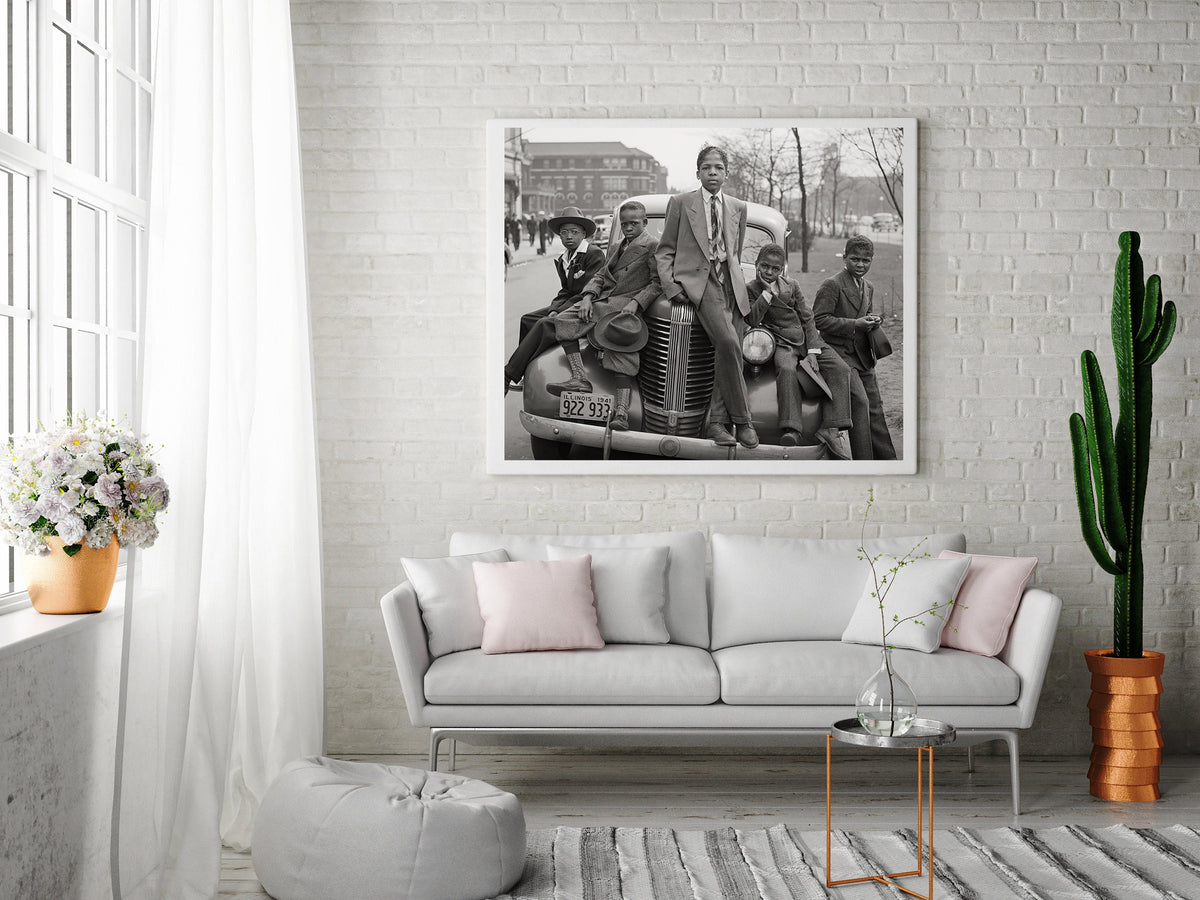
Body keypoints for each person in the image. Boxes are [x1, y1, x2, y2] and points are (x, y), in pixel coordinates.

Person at [723, 243, 871, 458]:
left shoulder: (792, 285)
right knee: (786, 369)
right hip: (780, 341)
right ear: (756, 265)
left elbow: (808, 317)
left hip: (805, 339)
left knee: (841, 368)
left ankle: (830, 427)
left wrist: (813, 350)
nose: (770, 272)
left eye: (775, 269)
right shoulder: (750, 289)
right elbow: (752, 319)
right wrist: (766, 293)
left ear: (782, 269)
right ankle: (791, 427)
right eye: (765, 267)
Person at [655, 145, 758, 449]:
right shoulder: (681, 203)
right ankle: (743, 421)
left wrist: (735, 279)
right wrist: (673, 288)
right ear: (698, 172)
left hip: (732, 285)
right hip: (701, 282)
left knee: (728, 352)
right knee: (728, 343)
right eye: (706, 167)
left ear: (727, 173)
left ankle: (716, 423)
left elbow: (735, 253)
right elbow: (665, 251)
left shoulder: (738, 206)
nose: (712, 172)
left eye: (718, 168)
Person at [540, 200, 662, 430]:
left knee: (622, 351)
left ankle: (622, 414)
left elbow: (657, 284)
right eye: (624, 223)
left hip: (626, 306)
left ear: (645, 223)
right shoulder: (615, 246)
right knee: (563, 319)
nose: (628, 227)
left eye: (633, 223)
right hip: (602, 301)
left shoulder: (653, 246)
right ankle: (580, 379)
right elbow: (600, 276)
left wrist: (636, 303)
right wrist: (587, 296)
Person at [813, 235, 898, 460]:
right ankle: (864, 461)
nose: (860, 265)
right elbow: (819, 320)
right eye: (855, 259)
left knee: (875, 407)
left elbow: (863, 313)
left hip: (861, 355)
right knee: (859, 402)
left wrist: (871, 320)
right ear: (844, 258)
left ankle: (886, 460)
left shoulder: (867, 286)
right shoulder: (832, 285)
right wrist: (855, 324)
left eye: (866, 260)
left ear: (871, 261)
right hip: (837, 353)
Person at [505, 207, 606, 389]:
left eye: (574, 232)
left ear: (583, 234)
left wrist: (557, 312)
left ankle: (507, 375)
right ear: (559, 236)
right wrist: (554, 308)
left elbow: (588, 292)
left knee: (544, 324)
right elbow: (565, 291)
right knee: (527, 320)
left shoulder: (594, 254)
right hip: (569, 304)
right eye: (564, 232)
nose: (569, 236)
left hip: (586, 307)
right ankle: (524, 372)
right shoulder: (563, 258)